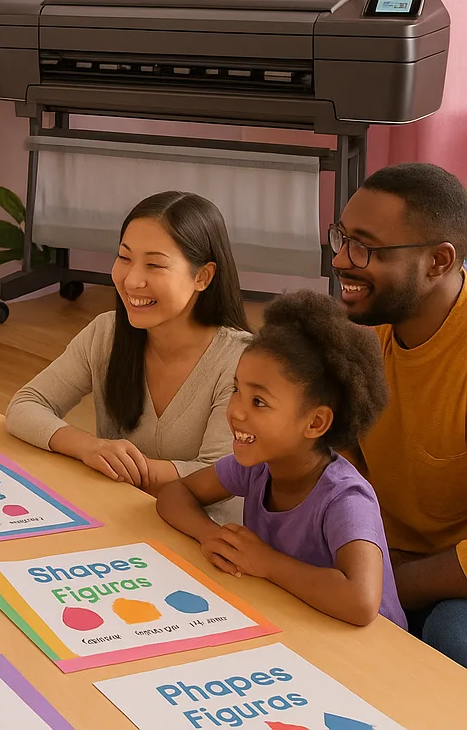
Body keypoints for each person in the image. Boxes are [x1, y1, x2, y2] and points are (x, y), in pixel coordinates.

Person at [157, 291, 405, 628]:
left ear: (315, 422)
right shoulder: (259, 467)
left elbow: (360, 602)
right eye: (236, 389)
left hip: (375, 659)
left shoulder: (345, 499)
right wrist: (208, 535)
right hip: (295, 626)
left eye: (258, 401)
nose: (236, 411)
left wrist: (267, 563)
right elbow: (174, 494)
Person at [5, 191, 251, 516]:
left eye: (154, 264)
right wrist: (89, 447)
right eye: (124, 258)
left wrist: (119, 467)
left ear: (202, 277)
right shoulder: (105, 333)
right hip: (119, 519)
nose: (132, 280)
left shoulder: (243, 360)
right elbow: (25, 405)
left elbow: (221, 479)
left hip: (205, 540)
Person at [332, 162, 467, 661]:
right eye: (342, 238)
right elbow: (341, 457)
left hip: (444, 577)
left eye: (366, 247)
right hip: (388, 554)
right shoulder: (367, 330)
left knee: (453, 637)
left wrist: (389, 584)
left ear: (437, 261)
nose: (342, 260)